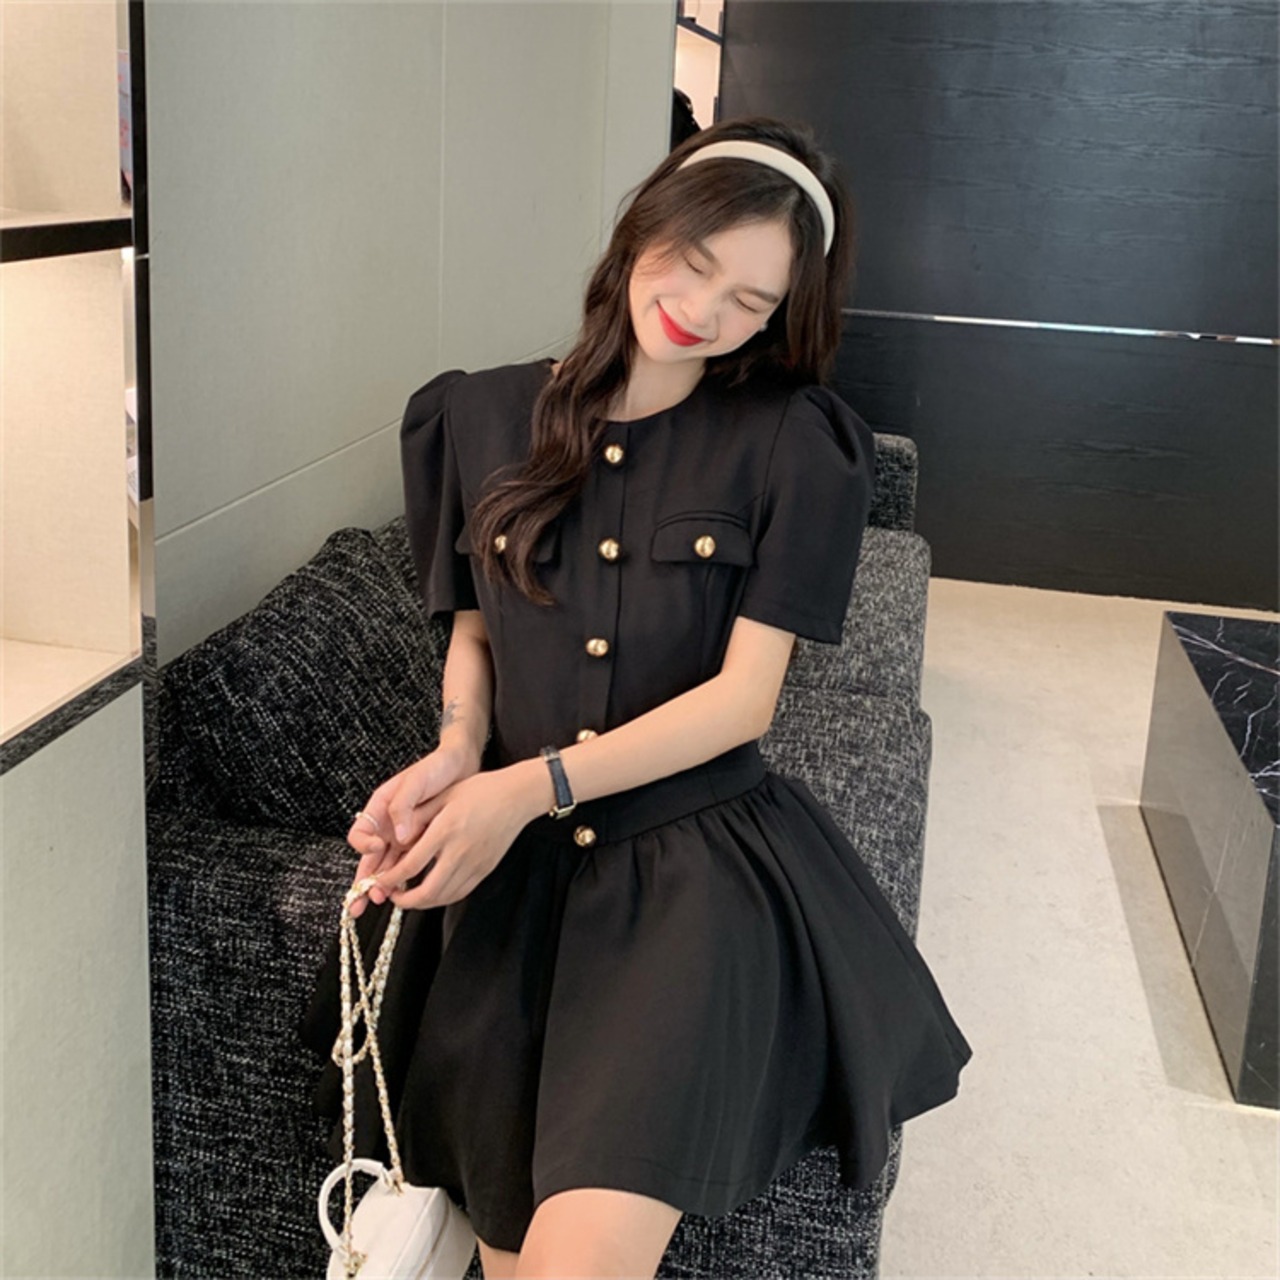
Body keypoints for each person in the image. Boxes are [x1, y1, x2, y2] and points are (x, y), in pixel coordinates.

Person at [302, 114, 973, 1280]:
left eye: (750, 301)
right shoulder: (474, 415)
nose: (702, 311)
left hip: (686, 877)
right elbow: (475, 633)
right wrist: (456, 754)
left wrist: (526, 784)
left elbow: (743, 701)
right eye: (693, 261)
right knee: (506, 1250)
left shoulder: (792, 442)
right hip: (510, 885)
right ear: (642, 227)